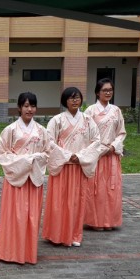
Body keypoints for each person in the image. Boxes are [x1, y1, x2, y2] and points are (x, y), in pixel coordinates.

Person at [0, 92, 50, 264]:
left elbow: (47, 153)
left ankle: (27, 252)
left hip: (33, 179)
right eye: (26, 106)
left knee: (31, 216)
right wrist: (25, 161)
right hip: (15, 178)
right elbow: (2, 154)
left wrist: (34, 160)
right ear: (19, 108)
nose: (30, 109)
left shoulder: (42, 131)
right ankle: (10, 252)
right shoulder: (10, 130)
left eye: (33, 106)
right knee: (14, 215)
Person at [42, 87, 100, 247]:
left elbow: (96, 140)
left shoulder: (88, 120)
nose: (75, 100)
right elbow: (49, 141)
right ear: (65, 101)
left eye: (77, 98)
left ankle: (75, 234)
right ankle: (56, 234)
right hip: (62, 166)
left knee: (77, 201)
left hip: (79, 166)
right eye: (71, 98)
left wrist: (80, 156)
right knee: (59, 201)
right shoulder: (57, 120)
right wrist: (67, 155)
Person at [84, 78, 126, 231]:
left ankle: (109, 221)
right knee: (96, 189)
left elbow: (121, 132)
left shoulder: (116, 110)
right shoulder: (90, 111)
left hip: (112, 155)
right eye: (104, 90)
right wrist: (100, 148)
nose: (108, 92)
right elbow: (86, 134)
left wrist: (113, 146)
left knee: (111, 189)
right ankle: (96, 221)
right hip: (97, 155)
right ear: (97, 92)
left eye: (110, 90)